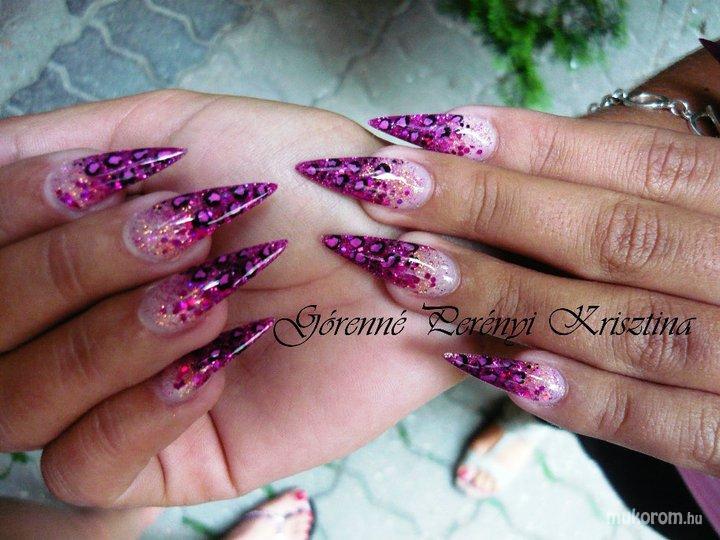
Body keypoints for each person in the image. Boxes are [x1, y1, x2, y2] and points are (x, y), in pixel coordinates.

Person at [0, 38, 719, 536]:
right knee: (568, 393)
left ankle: (533, 403)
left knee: (579, 398)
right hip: (659, 450)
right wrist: (528, 221)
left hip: (687, 495)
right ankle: (529, 399)